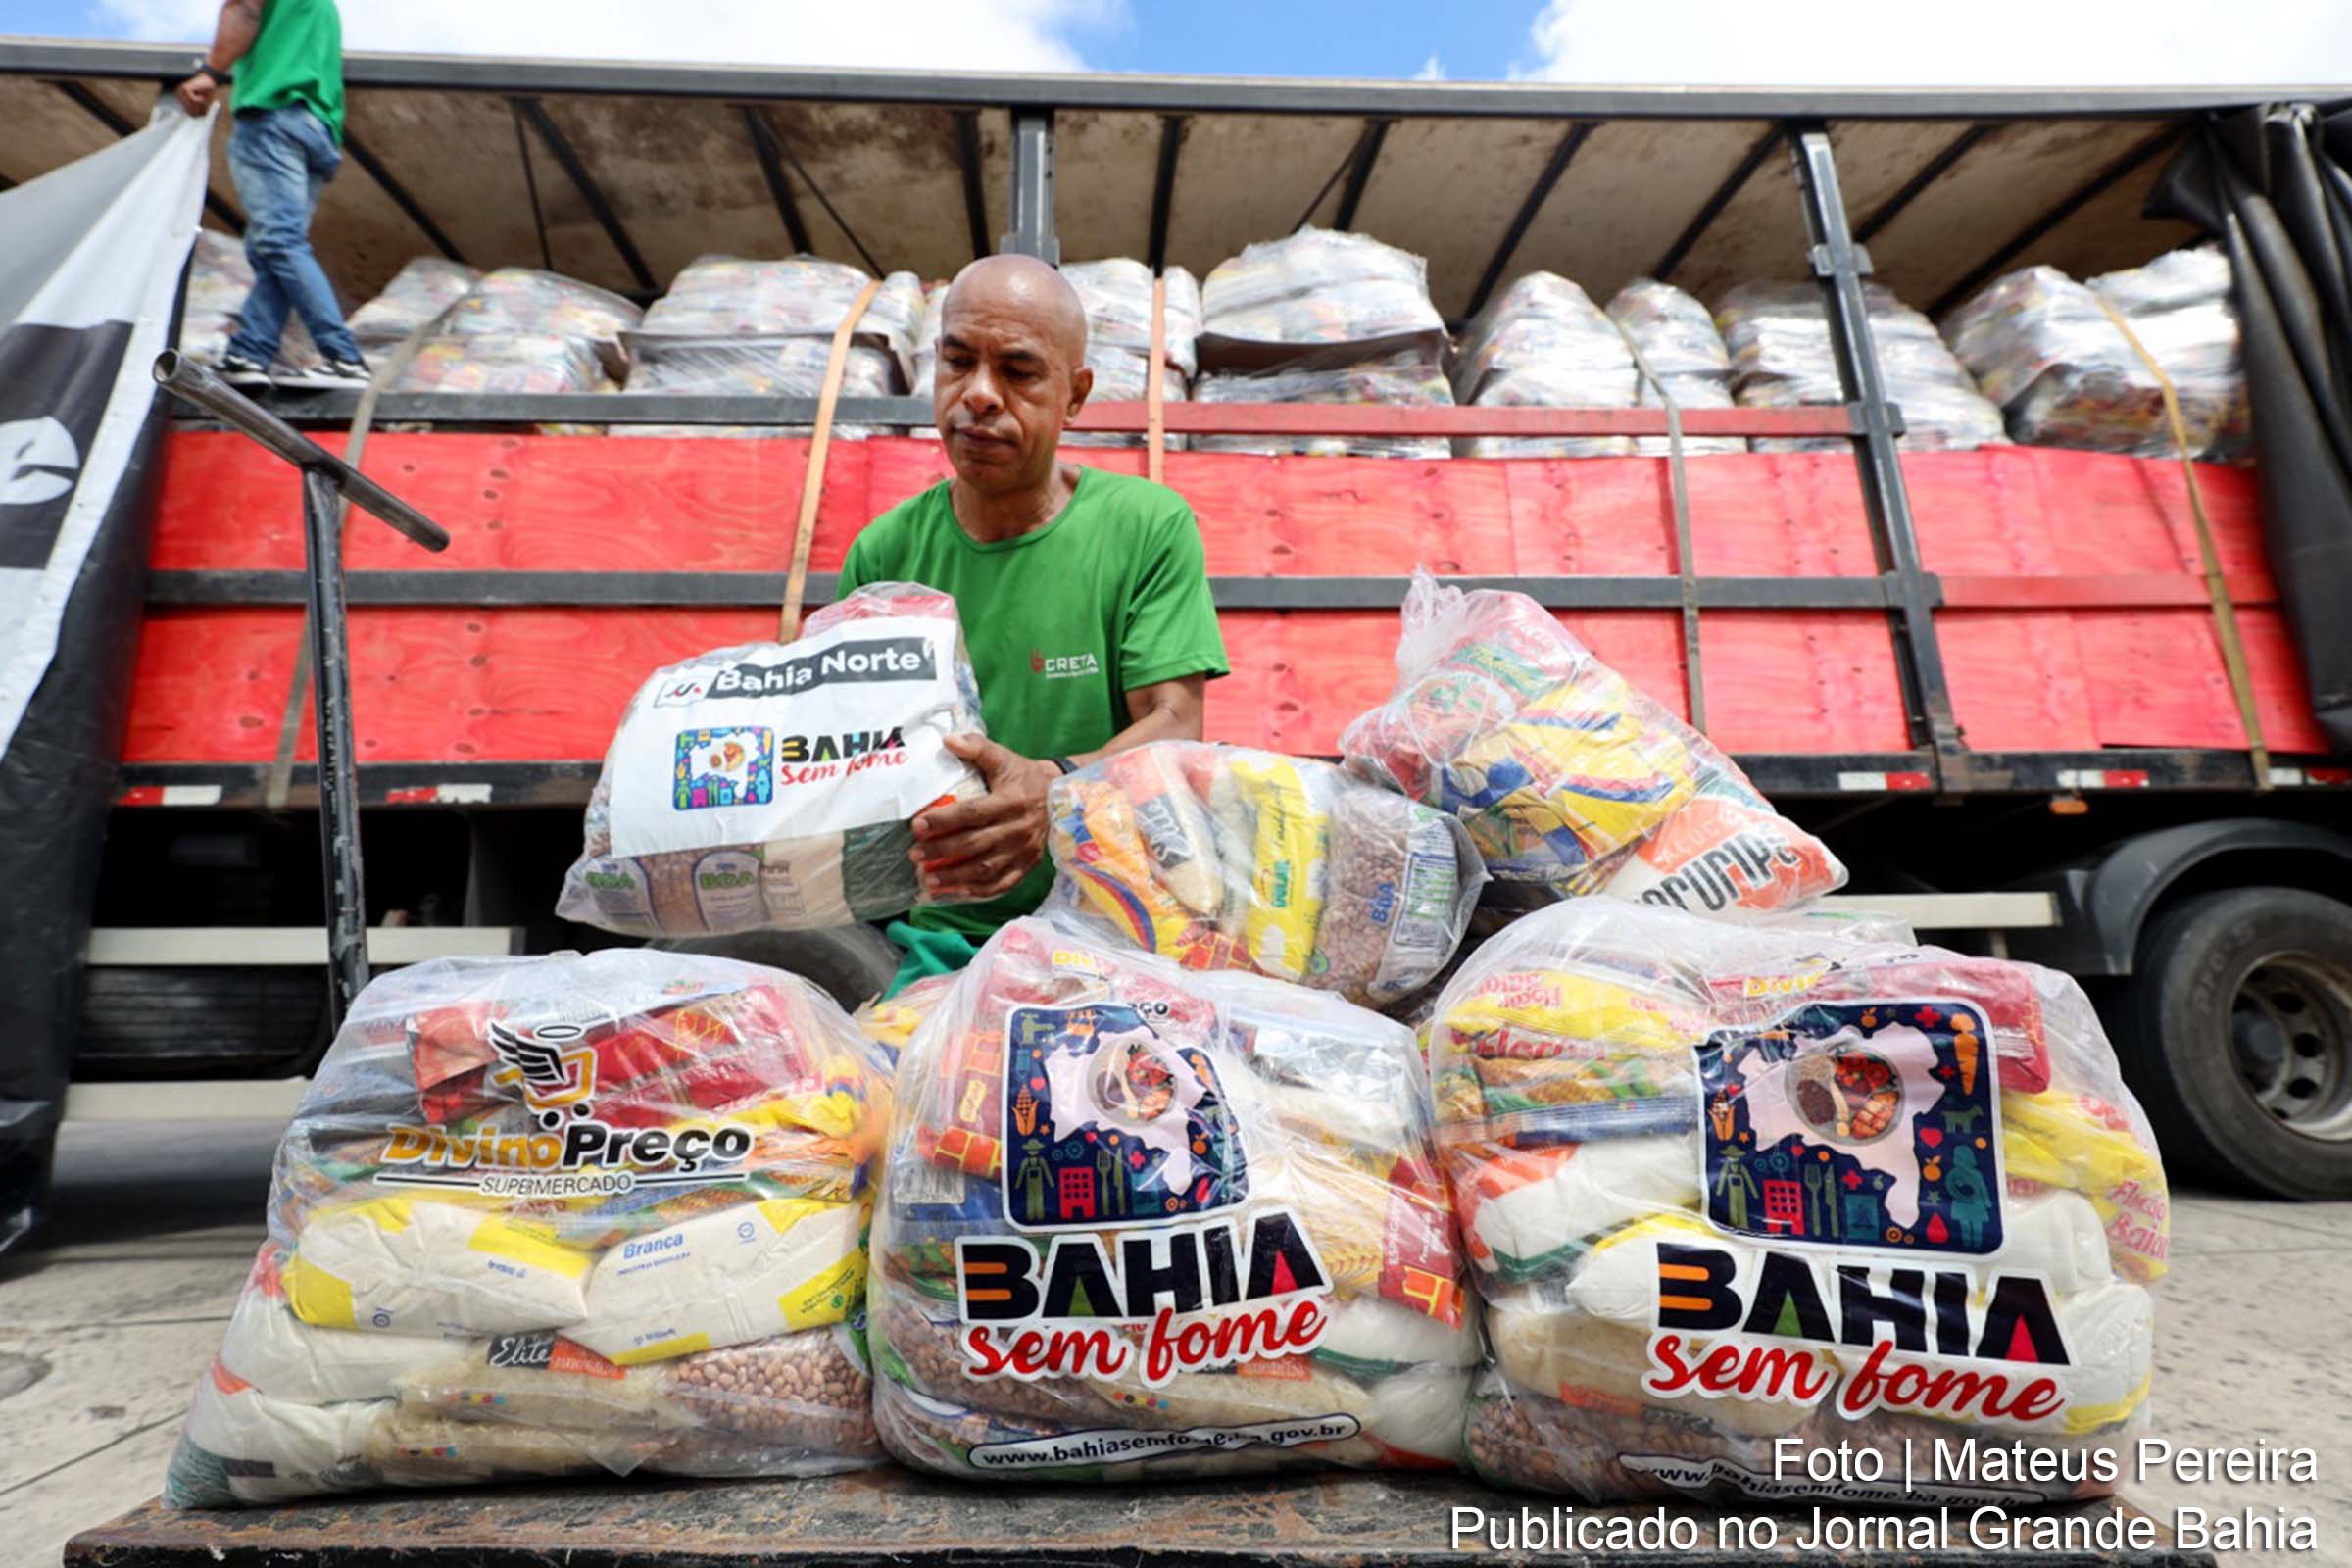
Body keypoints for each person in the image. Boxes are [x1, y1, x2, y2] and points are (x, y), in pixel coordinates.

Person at [835, 254, 1227, 994]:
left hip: (1110, 926)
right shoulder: (883, 554)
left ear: (1075, 396)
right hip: (926, 939)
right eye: (958, 362)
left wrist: (1055, 793)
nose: (979, 395)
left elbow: (1176, 721)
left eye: (1018, 371)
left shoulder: (1145, 527)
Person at [174, 0, 370, 387]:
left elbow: (243, 9)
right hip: (316, 129)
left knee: (279, 242)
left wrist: (210, 72)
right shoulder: (322, 7)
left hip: (273, 118)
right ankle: (250, 353)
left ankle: (344, 358)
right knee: (272, 248)